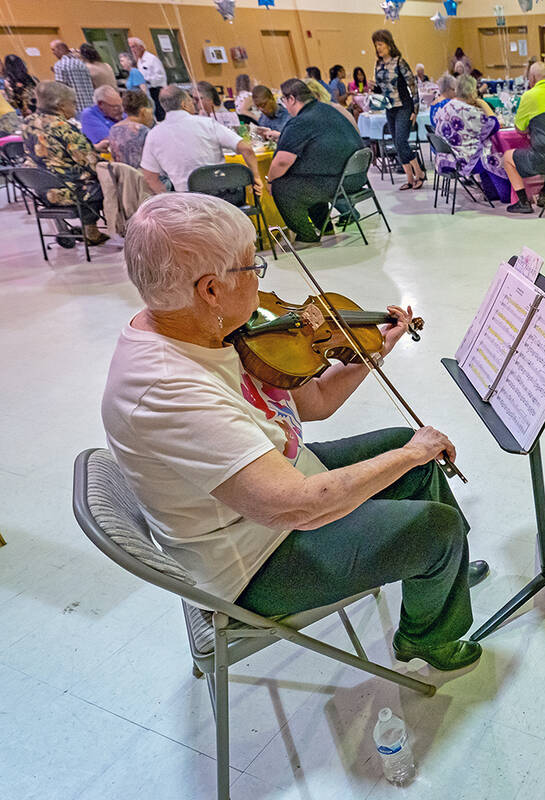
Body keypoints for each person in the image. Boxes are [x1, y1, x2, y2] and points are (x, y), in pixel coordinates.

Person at [102, 192, 487, 672]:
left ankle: (440, 580)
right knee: (436, 527)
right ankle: (429, 637)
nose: (261, 280)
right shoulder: (171, 390)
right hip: (252, 560)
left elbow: (315, 401)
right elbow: (299, 506)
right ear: (210, 290)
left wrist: (374, 351)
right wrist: (411, 453)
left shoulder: (211, 331)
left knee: (407, 454)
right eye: (250, 268)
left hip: (270, 496)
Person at [265, 79, 364, 243]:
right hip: (357, 175)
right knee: (309, 179)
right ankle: (325, 227)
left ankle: (306, 235)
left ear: (292, 99)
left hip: (338, 184)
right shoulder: (328, 110)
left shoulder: (300, 122)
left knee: (281, 186)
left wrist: (270, 180)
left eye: (284, 100)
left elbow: (281, 162)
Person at [21, 81, 106, 245]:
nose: (75, 107)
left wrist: (93, 148)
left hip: (41, 190)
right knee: (106, 182)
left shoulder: (28, 122)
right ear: (60, 105)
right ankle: (92, 231)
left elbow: (51, 153)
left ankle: (65, 230)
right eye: (73, 103)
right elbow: (90, 162)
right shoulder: (62, 127)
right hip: (72, 192)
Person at [139, 85, 262, 196]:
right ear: (184, 104)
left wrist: (172, 199)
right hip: (223, 197)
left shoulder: (153, 135)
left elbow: (150, 177)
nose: (194, 104)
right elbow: (246, 149)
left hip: (189, 203)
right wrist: (256, 177)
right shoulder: (207, 124)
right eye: (191, 101)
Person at [501, 61, 545, 214]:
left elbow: (519, 129)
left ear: (532, 78)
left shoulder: (529, 96)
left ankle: (522, 201)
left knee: (507, 158)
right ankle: (544, 192)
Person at [432, 74, 508, 201]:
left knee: (484, 151)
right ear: (472, 92)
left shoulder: (448, 106)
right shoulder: (467, 111)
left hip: (445, 158)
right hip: (463, 161)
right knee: (496, 156)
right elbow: (494, 125)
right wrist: (483, 103)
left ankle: (491, 193)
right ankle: (505, 195)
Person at [372, 29, 425, 190]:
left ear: (388, 44)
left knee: (402, 141)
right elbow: (381, 88)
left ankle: (419, 172)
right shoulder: (378, 64)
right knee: (396, 142)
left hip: (404, 106)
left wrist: (415, 109)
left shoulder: (399, 61)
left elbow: (412, 85)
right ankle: (410, 178)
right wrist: (374, 88)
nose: (378, 48)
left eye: (380, 44)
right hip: (390, 107)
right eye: (376, 45)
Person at [108, 89, 155, 168]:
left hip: (123, 177)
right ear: (144, 110)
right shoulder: (144, 131)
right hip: (145, 177)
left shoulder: (113, 129)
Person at [128, 37, 167, 120]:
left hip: (156, 91)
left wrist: (145, 80)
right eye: (130, 47)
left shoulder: (152, 59)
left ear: (141, 47)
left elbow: (160, 77)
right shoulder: (139, 61)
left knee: (160, 116)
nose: (132, 50)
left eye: (134, 47)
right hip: (147, 91)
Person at [50, 40, 94, 112]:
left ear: (60, 49)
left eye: (53, 50)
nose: (53, 53)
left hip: (76, 108)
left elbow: (60, 88)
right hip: (91, 106)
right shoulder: (82, 63)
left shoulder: (60, 65)